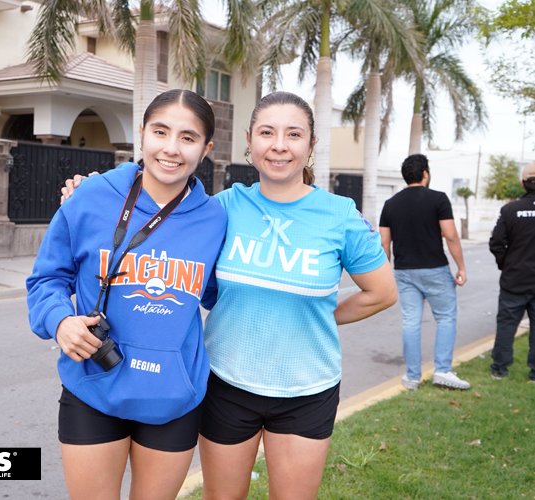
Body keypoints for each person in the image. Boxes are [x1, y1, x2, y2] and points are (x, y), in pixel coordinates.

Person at [63, 91, 397, 500]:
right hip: (226, 383)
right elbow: (156, 222)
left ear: (311, 146)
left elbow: (381, 293)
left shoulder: (340, 214)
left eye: (294, 134)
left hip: (307, 388)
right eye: (267, 132)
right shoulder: (221, 209)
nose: (279, 145)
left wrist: (321, 314)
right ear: (249, 141)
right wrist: (87, 194)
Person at [27, 89, 227, 500]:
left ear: (206, 148)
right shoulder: (90, 197)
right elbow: (47, 279)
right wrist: (59, 321)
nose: (171, 149)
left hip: (173, 398)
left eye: (188, 138)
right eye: (160, 131)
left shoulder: (216, 220)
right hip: (93, 386)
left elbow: (219, 293)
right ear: (142, 135)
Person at [379, 153, 471, 391]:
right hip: (435, 269)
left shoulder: (390, 204)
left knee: (410, 322)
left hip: (403, 272)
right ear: (425, 173)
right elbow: (450, 235)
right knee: (446, 318)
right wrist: (461, 267)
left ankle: (411, 377)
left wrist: (386, 273)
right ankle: (442, 370)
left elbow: (383, 244)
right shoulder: (438, 199)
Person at [488, 161, 535, 382]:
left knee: (507, 325)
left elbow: (496, 243)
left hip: (513, 280)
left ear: (522, 183)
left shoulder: (510, 210)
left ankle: (500, 368)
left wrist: (506, 264)